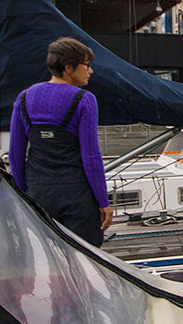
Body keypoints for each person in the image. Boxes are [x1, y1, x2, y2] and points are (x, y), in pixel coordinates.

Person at [9, 37, 112, 246]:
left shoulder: (24, 98)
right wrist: (103, 201)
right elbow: (91, 156)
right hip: (77, 198)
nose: (90, 71)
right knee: (84, 259)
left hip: (39, 195)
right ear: (68, 67)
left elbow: (16, 154)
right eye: (87, 65)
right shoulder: (84, 99)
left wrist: (23, 195)